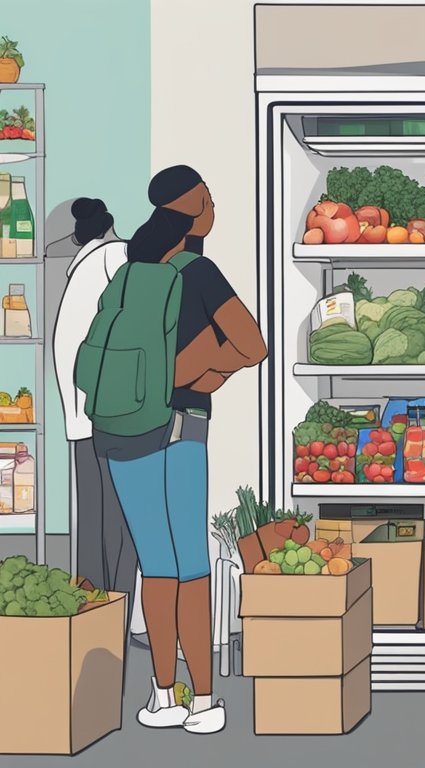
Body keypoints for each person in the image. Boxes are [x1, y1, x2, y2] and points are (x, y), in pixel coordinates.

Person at [90, 165, 267, 734]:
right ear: (195, 210)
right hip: (179, 427)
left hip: (121, 430)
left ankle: (163, 695)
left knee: (156, 567)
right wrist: (209, 370)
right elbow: (253, 344)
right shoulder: (198, 270)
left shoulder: (130, 270)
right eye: (209, 200)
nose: (214, 209)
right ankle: (205, 701)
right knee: (191, 565)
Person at [53, 198, 136, 611]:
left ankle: (93, 615)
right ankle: (118, 615)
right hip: (110, 413)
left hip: (82, 415)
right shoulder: (116, 257)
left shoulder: (83, 270)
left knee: (94, 521)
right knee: (120, 522)